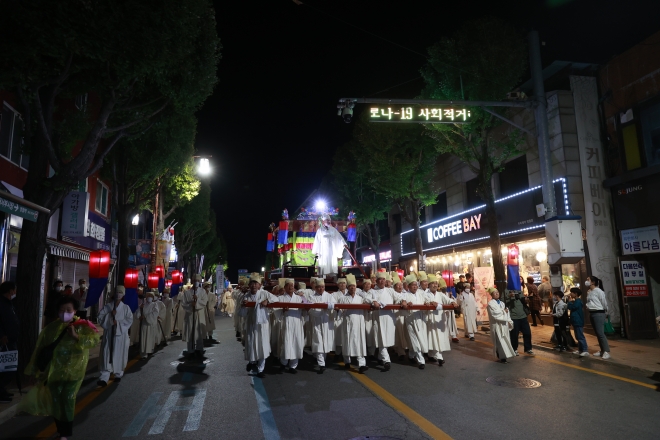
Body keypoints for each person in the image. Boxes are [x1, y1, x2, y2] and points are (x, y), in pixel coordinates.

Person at [19, 295, 99, 440]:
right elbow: (40, 350)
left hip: (74, 372)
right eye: (62, 310)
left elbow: (93, 341)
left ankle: (66, 433)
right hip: (54, 372)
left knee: (68, 399)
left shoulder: (83, 326)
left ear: (75, 311)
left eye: (68, 309)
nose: (64, 313)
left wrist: (76, 336)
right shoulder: (51, 328)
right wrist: (34, 371)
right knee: (56, 400)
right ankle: (61, 430)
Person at [97, 285, 133, 386]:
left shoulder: (126, 308)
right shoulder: (108, 307)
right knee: (106, 354)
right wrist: (110, 316)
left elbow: (129, 320)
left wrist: (118, 323)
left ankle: (118, 373)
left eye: (120, 293)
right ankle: (104, 377)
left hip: (120, 336)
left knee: (119, 354)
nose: (118, 294)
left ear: (123, 295)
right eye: (117, 292)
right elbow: (100, 318)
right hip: (109, 335)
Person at [239, 274, 273, 377]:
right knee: (251, 343)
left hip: (262, 325)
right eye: (251, 283)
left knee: (262, 345)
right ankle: (252, 361)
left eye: (255, 283)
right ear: (249, 285)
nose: (253, 285)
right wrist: (243, 306)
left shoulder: (265, 293)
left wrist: (267, 301)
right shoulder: (246, 296)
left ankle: (261, 369)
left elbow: (275, 299)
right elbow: (242, 313)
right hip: (251, 324)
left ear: (260, 285)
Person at [368, 272, 400, 371]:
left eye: (383, 279)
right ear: (376, 281)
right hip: (378, 319)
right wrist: (373, 301)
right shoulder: (372, 291)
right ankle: (387, 361)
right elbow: (367, 298)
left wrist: (402, 301)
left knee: (386, 340)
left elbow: (399, 297)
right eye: (379, 279)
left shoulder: (390, 291)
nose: (382, 281)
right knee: (381, 339)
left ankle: (380, 357)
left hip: (389, 319)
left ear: (385, 281)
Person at [338, 274, 369, 373]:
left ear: (356, 287)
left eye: (354, 286)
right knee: (347, 342)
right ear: (347, 287)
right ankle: (347, 361)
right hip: (347, 323)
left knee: (359, 343)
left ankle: (362, 364)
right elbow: (339, 312)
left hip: (358, 323)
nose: (352, 288)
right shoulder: (342, 299)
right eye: (350, 286)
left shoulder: (360, 299)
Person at [424, 275, 456, 366]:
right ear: (429, 285)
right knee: (433, 337)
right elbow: (424, 302)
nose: (434, 285)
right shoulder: (425, 294)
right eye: (432, 283)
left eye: (436, 283)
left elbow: (448, 300)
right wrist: (430, 303)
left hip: (440, 321)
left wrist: (452, 302)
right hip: (431, 320)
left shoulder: (440, 294)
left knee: (438, 338)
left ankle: (431, 354)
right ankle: (439, 357)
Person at [307, 278, 335, 373]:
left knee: (326, 342)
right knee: (318, 342)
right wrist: (322, 308)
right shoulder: (311, 297)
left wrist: (326, 307)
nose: (320, 289)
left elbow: (334, 306)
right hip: (317, 323)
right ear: (315, 287)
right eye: (319, 287)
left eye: (322, 287)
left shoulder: (329, 296)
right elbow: (310, 310)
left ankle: (323, 360)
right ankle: (321, 364)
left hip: (327, 322)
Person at [400, 275, 428, 370]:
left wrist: (429, 303)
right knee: (414, 340)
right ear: (408, 286)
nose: (415, 287)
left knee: (420, 338)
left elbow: (427, 300)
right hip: (410, 320)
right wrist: (405, 304)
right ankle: (421, 361)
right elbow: (402, 302)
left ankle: (411, 355)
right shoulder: (405, 294)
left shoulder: (421, 293)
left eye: (416, 285)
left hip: (420, 319)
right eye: (413, 285)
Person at [278, 279, 306, 373]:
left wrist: (306, 308)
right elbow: (276, 311)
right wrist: (282, 310)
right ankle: (283, 363)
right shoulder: (281, 298)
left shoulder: (299, 298)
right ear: (285, 287)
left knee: (296, 343)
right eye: (288, 285)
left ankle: (293, 366)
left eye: (292, 285)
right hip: (286, 322)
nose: (290, 287)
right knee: (285, 342)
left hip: (297, 323)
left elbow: (305, 310)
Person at [0, 281, 18, 403]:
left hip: (11, 339)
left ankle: (2, 390)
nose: (15, 292)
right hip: (4, 341)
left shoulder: (9, 303)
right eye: (14, 290)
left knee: (9, 367)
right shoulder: (1, 303)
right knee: (4, 368)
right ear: (10, 290)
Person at [486, 288, 515, 363]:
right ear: (491, 295)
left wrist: (508, 319)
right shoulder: (490, 304)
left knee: (505, 340)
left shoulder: (502, 303)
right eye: (494, 293)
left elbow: (506, 313)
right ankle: (502, 357)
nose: (497, 293)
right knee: (500, 341)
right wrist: (503, 312)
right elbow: (494, 314)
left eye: (497, 292)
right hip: (497, 326)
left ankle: (504, 355)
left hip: (503, 325)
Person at [585, 276, 610, 360]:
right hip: (592, 313)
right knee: (597, 333)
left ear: (593, 282)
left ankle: (606, 351)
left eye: (588, 280)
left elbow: (604, 302)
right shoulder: (589, 291)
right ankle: (602, 350)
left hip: (599, 313)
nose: (586, 281)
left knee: (600, 333)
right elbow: (590, 302)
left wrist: (605, 312)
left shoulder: (599, 291)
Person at [182, 275, 208, 358]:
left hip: (199, 313)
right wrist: (191, 305)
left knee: (199, 332)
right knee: (190, 332)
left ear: (200, 282)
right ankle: (190, 350)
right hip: (190, 314)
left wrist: (197, 302)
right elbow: (183, 304)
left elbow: (204, 302)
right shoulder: (187, 292)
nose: (196, 282)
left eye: (198, 280)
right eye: (195, 280)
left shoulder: (202, 291)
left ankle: (199, 349)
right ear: (192, 281)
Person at [504, 287, 534, 355]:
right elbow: (503, 301)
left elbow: (523, 300)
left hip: (523, 315)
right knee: (514, 334)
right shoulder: (506, 290)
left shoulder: (519, 290)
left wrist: (527, 299)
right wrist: (509, 296)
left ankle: (528, 348)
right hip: (513, 316)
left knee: (527, 333)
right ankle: (514, 349)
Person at [391, 272, 409, 361]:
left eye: (401, 285)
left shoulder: (405, 293)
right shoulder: (393, 293)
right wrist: (402, 301)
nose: (400, 286)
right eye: (397, 285)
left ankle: (405, 348)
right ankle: (400, 351)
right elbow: (397, 300)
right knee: (397, 334)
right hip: (396, 316)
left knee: (404, 333)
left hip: (404, 316)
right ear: (394, 287)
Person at [567, 287, 588, 356]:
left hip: (578, 321)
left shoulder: (578, 301)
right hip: (576, 321)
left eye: (571, 293)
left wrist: (569, 301)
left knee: (580, 336)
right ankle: (580, 350)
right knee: (577, 336)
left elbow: (572, 307)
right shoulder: (576, 301)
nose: (570, 294)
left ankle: (585, 350)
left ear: (575, 294)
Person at [139, 291, 160, 359]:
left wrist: (146, 317)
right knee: (144, 338)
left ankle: (150, 350)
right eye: (148, 296)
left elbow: (156, 313)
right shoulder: (143, 304)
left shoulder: (154, 305)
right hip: (144, 324)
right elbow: (138, 313)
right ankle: (144, 353)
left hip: (151, 324)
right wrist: (140, 312)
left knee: (150, 338)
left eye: (151, 296)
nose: (149, 298)